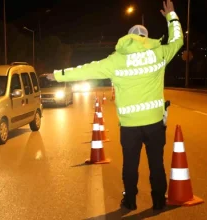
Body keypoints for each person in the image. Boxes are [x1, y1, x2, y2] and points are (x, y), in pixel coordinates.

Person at [46, 0, 183, 210]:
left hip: (129, 126)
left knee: (130, 166)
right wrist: (171, 17)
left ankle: (129, 202)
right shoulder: (159, 53)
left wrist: (57, 75)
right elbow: (177, 40)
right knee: (156, 164)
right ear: (146, 39)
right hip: (155, 123)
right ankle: (158, 201)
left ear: (129, 38)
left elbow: (86, 69)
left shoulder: (115, 60)